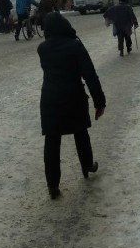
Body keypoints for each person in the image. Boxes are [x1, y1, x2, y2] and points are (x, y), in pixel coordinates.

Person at [37, 12, 106, 199]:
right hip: (73, 97)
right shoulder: (75, 46)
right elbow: (90, 75)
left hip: (50, 99)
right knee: (80, 132)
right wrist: (99, 102)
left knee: (52, 141)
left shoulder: (42, 49)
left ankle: (52, 185)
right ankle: (87, 164)